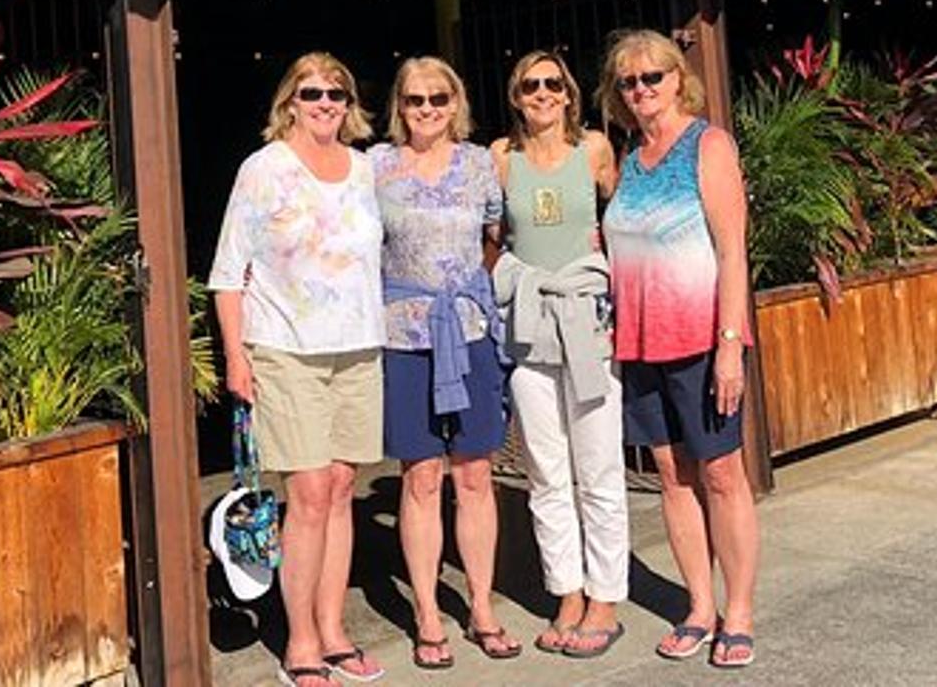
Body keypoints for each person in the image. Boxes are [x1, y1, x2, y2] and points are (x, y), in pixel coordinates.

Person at [209, 53, 388, 687]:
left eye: (337, 92)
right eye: (312, 92)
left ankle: (335, 630)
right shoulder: (263, 171)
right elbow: (228, 276)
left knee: (342, 489)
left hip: (359, 347)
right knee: (308, 495)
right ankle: (302, 641)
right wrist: (236, 358)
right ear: (290, 99)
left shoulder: (365, 170)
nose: (326, 103)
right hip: (284, 349)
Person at [600, 29, 760, 670]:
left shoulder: (707, 144)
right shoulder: (627, 159)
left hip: (701, 337)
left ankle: (739, 610)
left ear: (677, 78)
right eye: (628, 82)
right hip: (641, 344)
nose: (641, 90)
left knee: (722, 474)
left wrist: (729, 345)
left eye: (652, 78)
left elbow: (732, 250)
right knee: (671, 476)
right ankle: (699, 604)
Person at [371, 56, 521, 669]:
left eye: (437, 98)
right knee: (421, 477)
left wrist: (470, 288)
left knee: (476, 474)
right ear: (398, 106)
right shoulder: (374, 167)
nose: (426, 109)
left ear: (455, 102)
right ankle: (429, 614)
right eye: (414, 100)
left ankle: (482, 606)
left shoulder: (481, 163)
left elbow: (497, 234)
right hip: (404, 335)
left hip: (470, 328)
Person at [488, 49, 627, 659]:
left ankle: (606, 598)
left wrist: (620, 305)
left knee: (597, 464)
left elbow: (621, 222)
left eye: (552, 84)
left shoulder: (594, 150)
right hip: (529, 321)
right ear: (515, 97)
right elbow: (491, 239)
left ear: (569, 94)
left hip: (587, 318)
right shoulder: (501, 158)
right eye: (529, 85)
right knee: (545, 468)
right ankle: (566, 590)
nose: (541, 94)